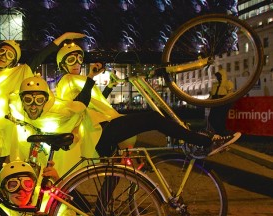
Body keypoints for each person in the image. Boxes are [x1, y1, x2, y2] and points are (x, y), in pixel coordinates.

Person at [55, 42, 242, 158]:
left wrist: (109, 86)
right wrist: (90, 78)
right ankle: (204, 142)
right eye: (71, 60)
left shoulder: (78, 81)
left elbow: (95, 105)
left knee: (118, 171)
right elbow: (80, 105)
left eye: (79, 58)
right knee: (152, 119)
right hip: (99, 131)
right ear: (62, 65)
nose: (77, 63)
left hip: (98, 132)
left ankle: (101, 213)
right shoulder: (67, 81)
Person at [0, 32, 85, 187]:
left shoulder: (17, 72)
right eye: (2, 52)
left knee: (2, 170)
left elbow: (40, 56)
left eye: (9, 54)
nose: (4, 56)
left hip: (8, 131)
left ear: (14, 59)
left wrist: (63, 38)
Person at [207, 68, 235, 135]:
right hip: (215, 102)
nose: (217, 77)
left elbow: (230, 93)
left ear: (223, 75)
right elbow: (211, 95)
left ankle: (221, 133)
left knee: (221, 118)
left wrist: (224, 99)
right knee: (211, 118)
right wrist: (207, 101)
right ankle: (220, 132)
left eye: (219, 75)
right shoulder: (215, 84)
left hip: (223, 103)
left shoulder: (228, 83)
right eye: (217, 76)